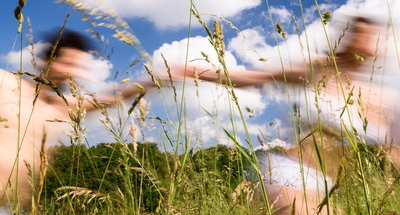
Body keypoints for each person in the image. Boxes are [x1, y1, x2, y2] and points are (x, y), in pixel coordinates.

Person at [170, 16, 399, 214]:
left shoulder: (379, 97)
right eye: (357, 33)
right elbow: (250, 78)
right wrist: (187, 71)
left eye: (371, 36)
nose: (363, 41)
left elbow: (394, 152)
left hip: (327, 187)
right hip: (286, 171)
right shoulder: (320, 69)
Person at [0, 29, 153, 212]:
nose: (73, 73)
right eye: (68, 63)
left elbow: (111, 97)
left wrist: (156, 79)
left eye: (78, 67)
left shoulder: (58, 106)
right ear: (46, 60)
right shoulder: (5, 82)